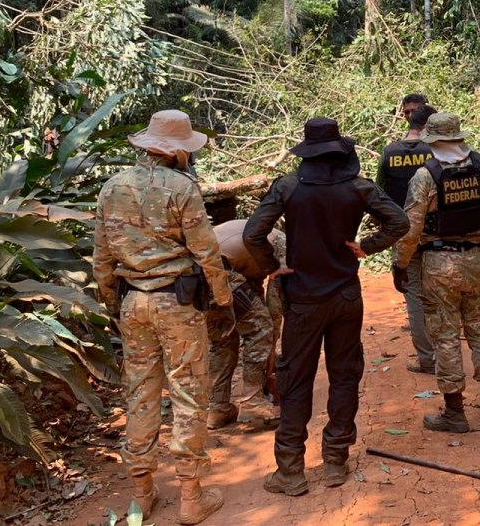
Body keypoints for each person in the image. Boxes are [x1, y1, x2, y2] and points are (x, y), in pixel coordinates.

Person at [243, 117, 409, 496]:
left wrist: (272, 266)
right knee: (344, 374)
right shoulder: (359, 187)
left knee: (296, 380)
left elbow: (253, 234)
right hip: (347, 296)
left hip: (303, 298)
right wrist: (368, 245)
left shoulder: (287, 187)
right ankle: (336, 459)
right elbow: (399, 220)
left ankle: (290, 470)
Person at [93, 109, 232, 525]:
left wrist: (110, 302)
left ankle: (142, 492)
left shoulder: (111, 187)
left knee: (140, 392)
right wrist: (222, 298)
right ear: (178, 152)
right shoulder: (182, 188)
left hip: (132, 302)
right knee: (188, 391)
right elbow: (206, 251)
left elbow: (102, 256)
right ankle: (191, 496)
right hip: (178, 303)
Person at [394, 111, 480, 431]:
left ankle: (455, 412)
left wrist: (400, 264)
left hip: (438, 265)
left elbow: (411, 229)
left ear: (432, 141)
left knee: (445, 337)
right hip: (475, 261)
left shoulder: (425, 176)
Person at [206, 220, 285, 430]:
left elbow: (254, 288)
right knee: (261, 328)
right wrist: (269, 352)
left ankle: (217, 407)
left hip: (192, 276)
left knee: (223, 339)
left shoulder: (265, 238)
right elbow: (274, 309)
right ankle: (251, 400)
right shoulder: (284, 245)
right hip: (218, 271)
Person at [376, 103, 437, 373]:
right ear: (429, 125)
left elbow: (378, 194)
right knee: (437, 295)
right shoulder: (436, 152)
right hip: (434, 234)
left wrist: (387, 228)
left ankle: (427, 359)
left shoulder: (389, 152)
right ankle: (445, 356)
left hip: (401, 234)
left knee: (414, 297)